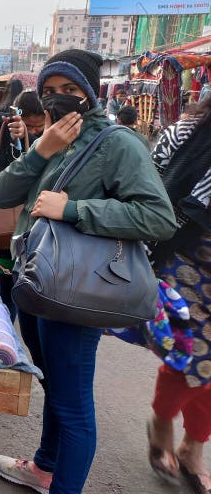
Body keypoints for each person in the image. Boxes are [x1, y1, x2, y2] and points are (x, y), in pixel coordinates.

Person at [0, 49, 176, 494]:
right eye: (50, 91)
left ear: (89, 94)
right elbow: (2, 193)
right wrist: (41, 150)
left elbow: (158, 217)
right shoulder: (51, 138)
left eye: (70, 91)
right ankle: (44, 466)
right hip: (37, 281)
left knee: (72, 406)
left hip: (77, 292)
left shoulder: (118, 144)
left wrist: (74, 209)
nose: (59, 99)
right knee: (54, 385)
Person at [145, 98, 211, 493]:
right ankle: (162, 423)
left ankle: (194, 446)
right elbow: (150, 183)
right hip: (187, 267)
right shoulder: (187, 131)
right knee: (189, 359)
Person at [0, 90, 46, 320]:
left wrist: (31, 139)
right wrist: (15, 140)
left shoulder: (47, 137)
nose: (36, 131)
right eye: (30, 126)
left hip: (25, 225)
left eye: (39, 128)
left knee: (12, 291)